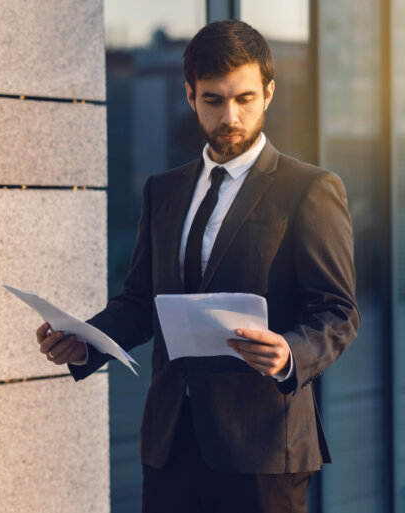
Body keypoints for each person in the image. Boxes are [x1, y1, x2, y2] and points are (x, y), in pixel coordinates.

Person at [35, 20, 358, 513]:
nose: (230, 115)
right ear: (190, 95)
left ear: (268, 93)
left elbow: (338, 311)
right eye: (213, 100)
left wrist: (290, 352)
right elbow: (141, 302)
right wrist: (84, 343)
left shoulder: (309, 190)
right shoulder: (162, 191)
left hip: (265, 450)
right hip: (170, 443)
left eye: (245, 98)